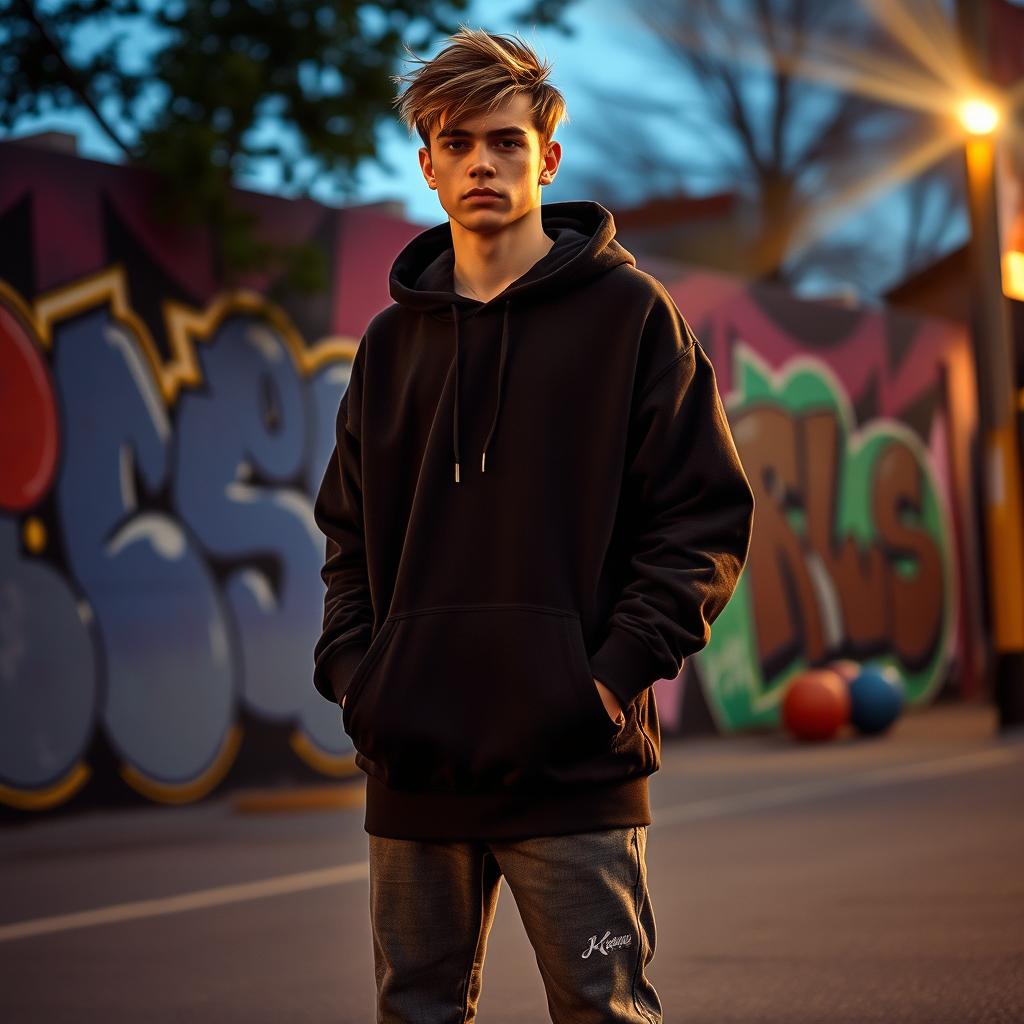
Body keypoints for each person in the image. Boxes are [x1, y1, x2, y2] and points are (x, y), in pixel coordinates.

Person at [312, 25, 756, 1024]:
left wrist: (600, 679)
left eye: (505, 142)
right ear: (426, 166)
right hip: (415, 770)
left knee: (603, 1009)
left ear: (546, 158)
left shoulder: (630, 317)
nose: (482, 162)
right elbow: (348, 537)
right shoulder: (389, 347)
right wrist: (360, 679)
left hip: (574, 772)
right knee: (416, 1013)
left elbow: (703, 517)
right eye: (457, 142)